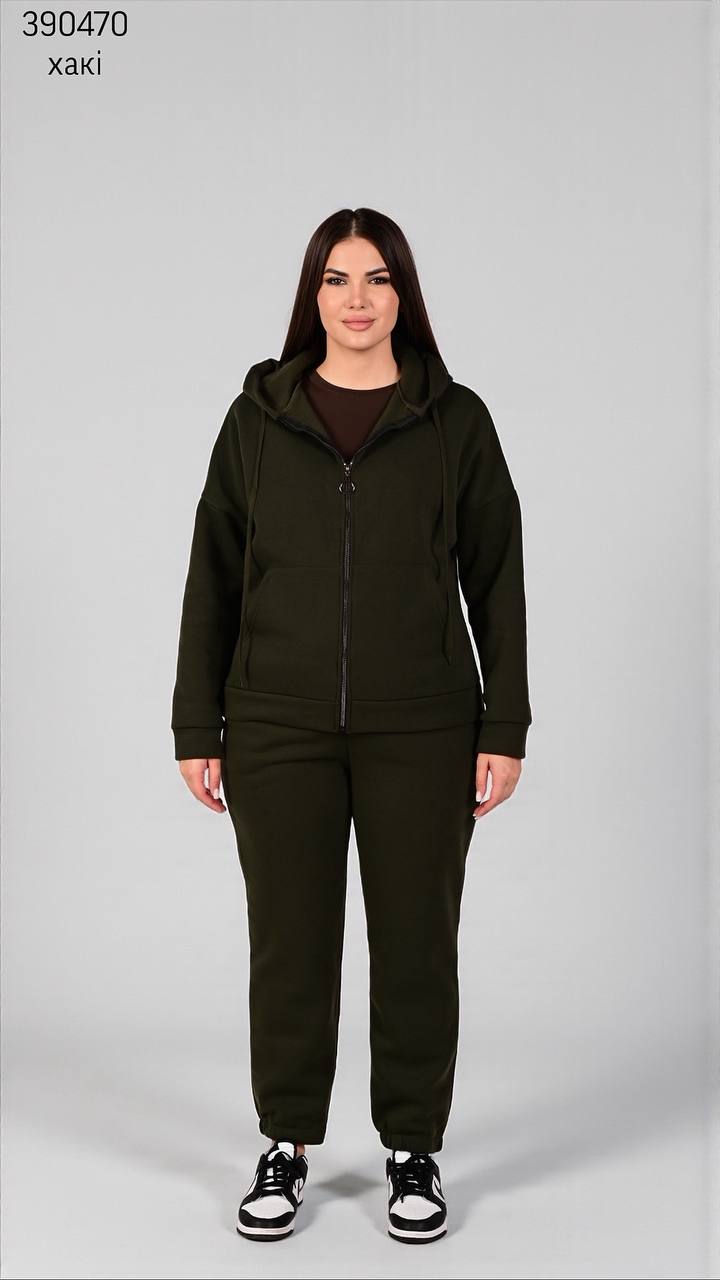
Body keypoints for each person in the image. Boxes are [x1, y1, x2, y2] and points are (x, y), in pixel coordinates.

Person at [171, 207, 532, 1244]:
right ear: (313, 294)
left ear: (403, 294)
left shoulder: (454, 421)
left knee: (417, 944)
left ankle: (412, 1148)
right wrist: (198, 721)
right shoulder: (257, 421)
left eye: (377, 278)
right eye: (337, 279)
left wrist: (503, 722)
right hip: (276, 724)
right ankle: (285, 1143)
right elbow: (213, 575)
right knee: (289, 944)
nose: (358, 299)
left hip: (423, 727)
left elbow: (497, 575)